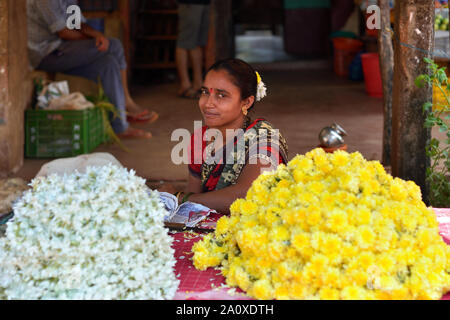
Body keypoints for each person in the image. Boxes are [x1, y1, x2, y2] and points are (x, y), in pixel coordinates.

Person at [164, 59, 288, 214]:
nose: (208, 103)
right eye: (204, 92)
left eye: (221, 95)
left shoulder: (264, 139)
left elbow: (249, 195)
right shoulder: (200, 138)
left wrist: (178, 197)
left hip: (255, 231)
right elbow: (194, 197)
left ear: (247, 102)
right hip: (207, 229)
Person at [27, 0, 158, 139]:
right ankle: (126, 102)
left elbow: (77, 22)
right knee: (115, 46)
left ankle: (120, 127)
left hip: (63, 49)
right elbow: (64, 32)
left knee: (108, 64)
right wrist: (92, 41)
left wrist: (97, 35)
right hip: (45, 54)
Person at [176, 0, 211, 99]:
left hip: (204, 3)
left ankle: (198, 83)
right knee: (184, 42)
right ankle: (185, 84)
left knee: (197, 43)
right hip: (190, 3)